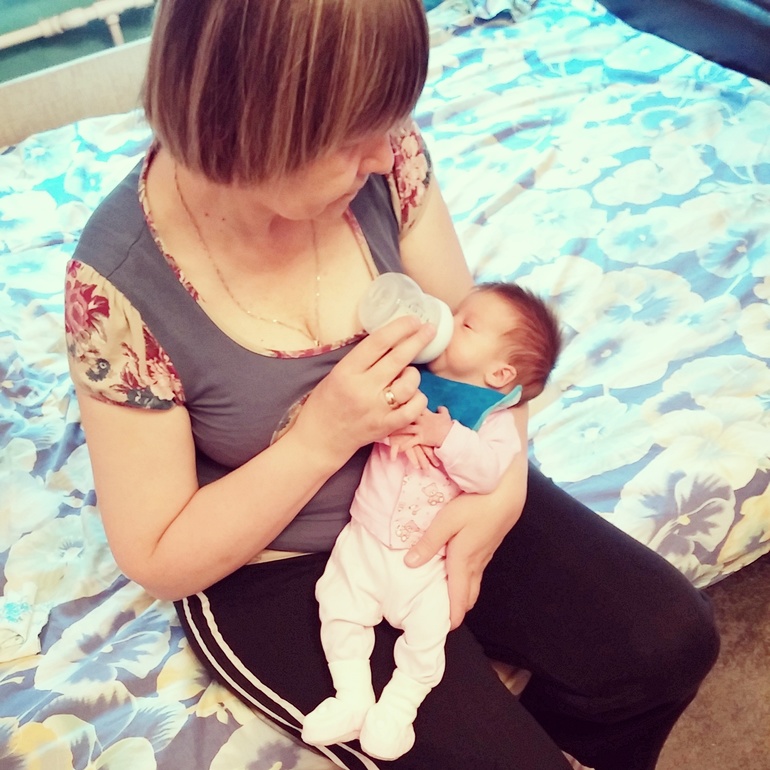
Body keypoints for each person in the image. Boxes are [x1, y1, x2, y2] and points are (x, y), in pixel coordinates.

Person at [63, 1, 719, 769]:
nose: (385, 154)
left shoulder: (390, 158)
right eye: (354, 138)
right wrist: (320, 438)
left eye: (389, 121)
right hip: (282, 563)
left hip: (437, 482)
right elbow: (158, 553)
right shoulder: (117, 292)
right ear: (253, 127)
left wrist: (500, 495)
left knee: (669, 644)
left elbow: (489, 358)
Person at [302, 283, 562, 761]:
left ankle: (397, 709)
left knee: (427, 639)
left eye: (466, 323)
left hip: (429, 564)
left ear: (499, 373)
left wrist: (446, 436)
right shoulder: (411, 381)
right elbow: (368, 421)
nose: (446, 319)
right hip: (366, 537)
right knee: (337, 607)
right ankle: (351, 695)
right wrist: (396, 427)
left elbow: (487, 474)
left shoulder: (494, 421)